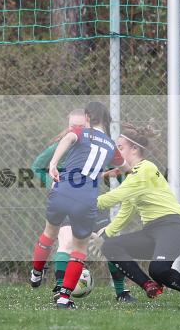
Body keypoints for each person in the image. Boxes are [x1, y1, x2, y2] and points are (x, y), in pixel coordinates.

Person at [30, 109, 136, 302]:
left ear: (88, 125)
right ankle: (61, 289)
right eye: (73, 125)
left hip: (89, 201)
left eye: (80, 125)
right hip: (65, 198)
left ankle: (121, 291)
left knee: (109, 242)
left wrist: (126, 188)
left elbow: (120, 169)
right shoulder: (61, 145)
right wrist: (51, 181)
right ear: (68, 126)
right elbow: (37, 166)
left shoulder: (94, 144)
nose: (77, 128)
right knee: (67, 242)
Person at [95, 123, 180, 309]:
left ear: (135, 149)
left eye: (120, 148)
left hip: (172, 227)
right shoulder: (132, 177)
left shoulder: (144, 169)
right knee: (111, 246)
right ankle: (148, 285)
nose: (117, 152)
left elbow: (117, 195)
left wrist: (84, 202)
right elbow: (126, 211)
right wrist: (106, 234)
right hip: (152, 231)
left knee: (158, 270)